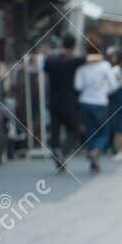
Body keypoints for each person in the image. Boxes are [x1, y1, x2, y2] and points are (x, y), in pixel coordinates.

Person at [74, 43, 119, 173]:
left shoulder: (82, 66)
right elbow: (114, 84)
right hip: (100, 102)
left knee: (91, 133)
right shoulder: (105, 66)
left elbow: (78, 86)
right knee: (104, 132)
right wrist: (104, 92)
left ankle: (93, 163)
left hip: (84, 102)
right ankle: (96, 152)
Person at [42, 33, 83, 173]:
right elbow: (93, 58)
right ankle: (63, 152)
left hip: (53, 99)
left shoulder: (50, 59)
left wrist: (48, 96)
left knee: (55, 130)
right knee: (75, 129)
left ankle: (57, 155)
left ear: (61, 44)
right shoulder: (74, 60)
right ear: (74, 46)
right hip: (69, 100)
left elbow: (46, 81)